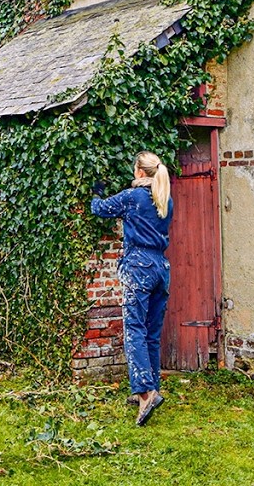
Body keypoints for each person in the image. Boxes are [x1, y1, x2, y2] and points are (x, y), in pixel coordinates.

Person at [91, 151, 173, 427]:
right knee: (151, 333)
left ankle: (145, 392)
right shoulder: (165, 200)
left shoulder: (132, 197)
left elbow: (100, 209)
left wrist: (96, 191)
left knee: (134, 330)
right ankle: (153, 387)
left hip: (138, 266)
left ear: (140, 171)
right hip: (161, 267)